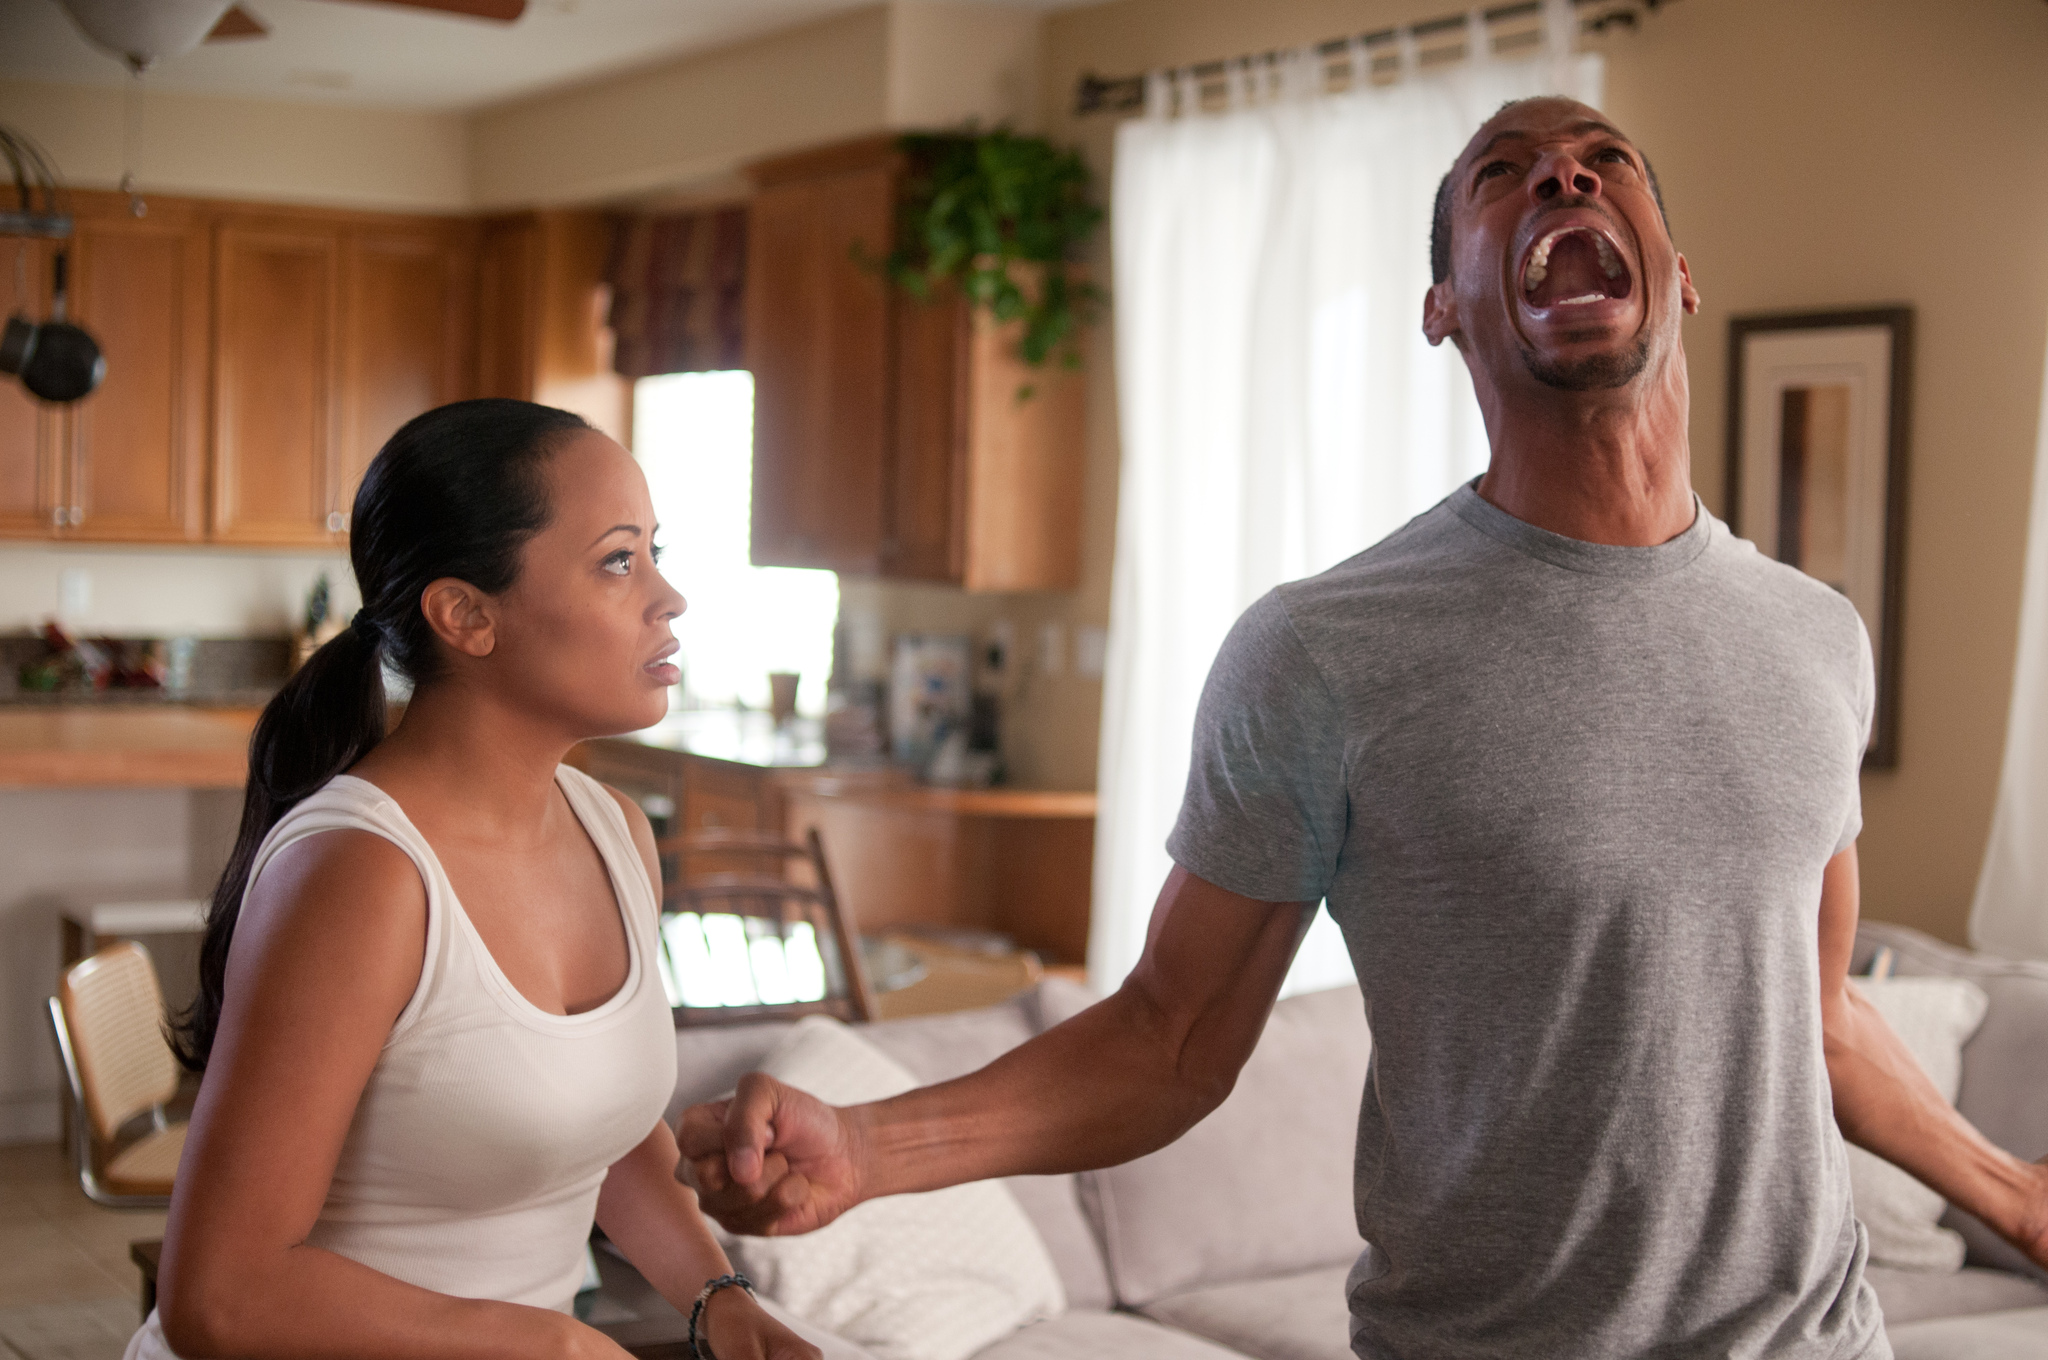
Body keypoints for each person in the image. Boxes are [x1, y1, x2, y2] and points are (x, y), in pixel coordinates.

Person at [676, 99, 2048, 1358]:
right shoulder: (1327, 652)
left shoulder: (1815, 638)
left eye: (1600, 158)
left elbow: (1813, 1014)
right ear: (1446, 306)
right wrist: (869, 1145)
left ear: (1679, 274)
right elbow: (1169, 1036)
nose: (1560, 173)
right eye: (1500, 177)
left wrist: (2016, 1198)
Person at [132, 400, 823, 1360]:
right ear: (466, 615)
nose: (669, 598)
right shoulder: (363, 873)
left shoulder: (614, 832)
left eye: (653, 552)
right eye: (620, 561)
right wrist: (555, 1345)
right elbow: (220, 1297)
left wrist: (718, 1297)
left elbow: (602, 1135)